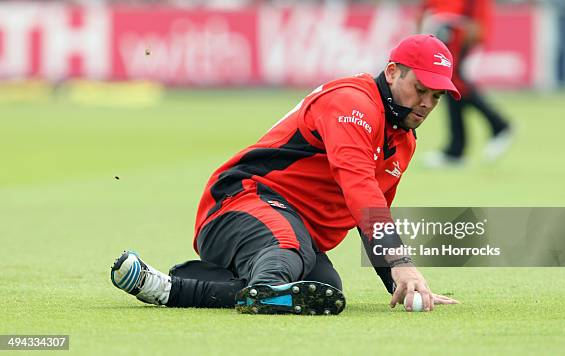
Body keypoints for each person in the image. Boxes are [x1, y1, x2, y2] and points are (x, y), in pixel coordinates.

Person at [110, 34, 460, 315]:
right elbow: (361, 190)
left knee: (323, 293)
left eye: (437, 95)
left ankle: (171, 286)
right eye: (420, 89)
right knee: (286, 256)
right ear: (393, 72)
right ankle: (190, 290)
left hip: (290, 232)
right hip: (240, 202)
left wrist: (401, 282)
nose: (427, 103)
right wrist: (401, 262)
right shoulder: (353, 103)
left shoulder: (403, 141)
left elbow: (370, 216)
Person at [418, 0, 513, 167]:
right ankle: (457, 149)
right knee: (451, 84)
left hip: (458, 29)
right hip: (446, 26)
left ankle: (497, 125)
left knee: (455, 83)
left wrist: (475, 27)